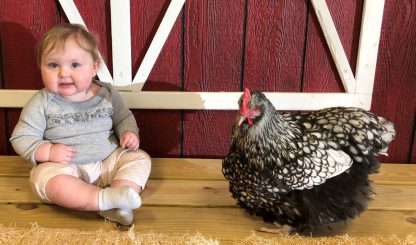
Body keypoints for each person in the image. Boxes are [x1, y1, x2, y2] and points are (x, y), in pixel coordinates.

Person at [10, 23, 151, 226]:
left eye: (75, 65)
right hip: (65, 168)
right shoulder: (43, 102)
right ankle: (103, 201)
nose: (63, 73)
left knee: (139, 159)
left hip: (107, 162)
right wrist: (48, 152)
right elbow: (21, 137)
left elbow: (123, 117)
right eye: (53, 65)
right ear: (40, 66)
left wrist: (128, 132)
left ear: (94, 67)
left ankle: (120, 195)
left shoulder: (107, 94)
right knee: (45, 179)